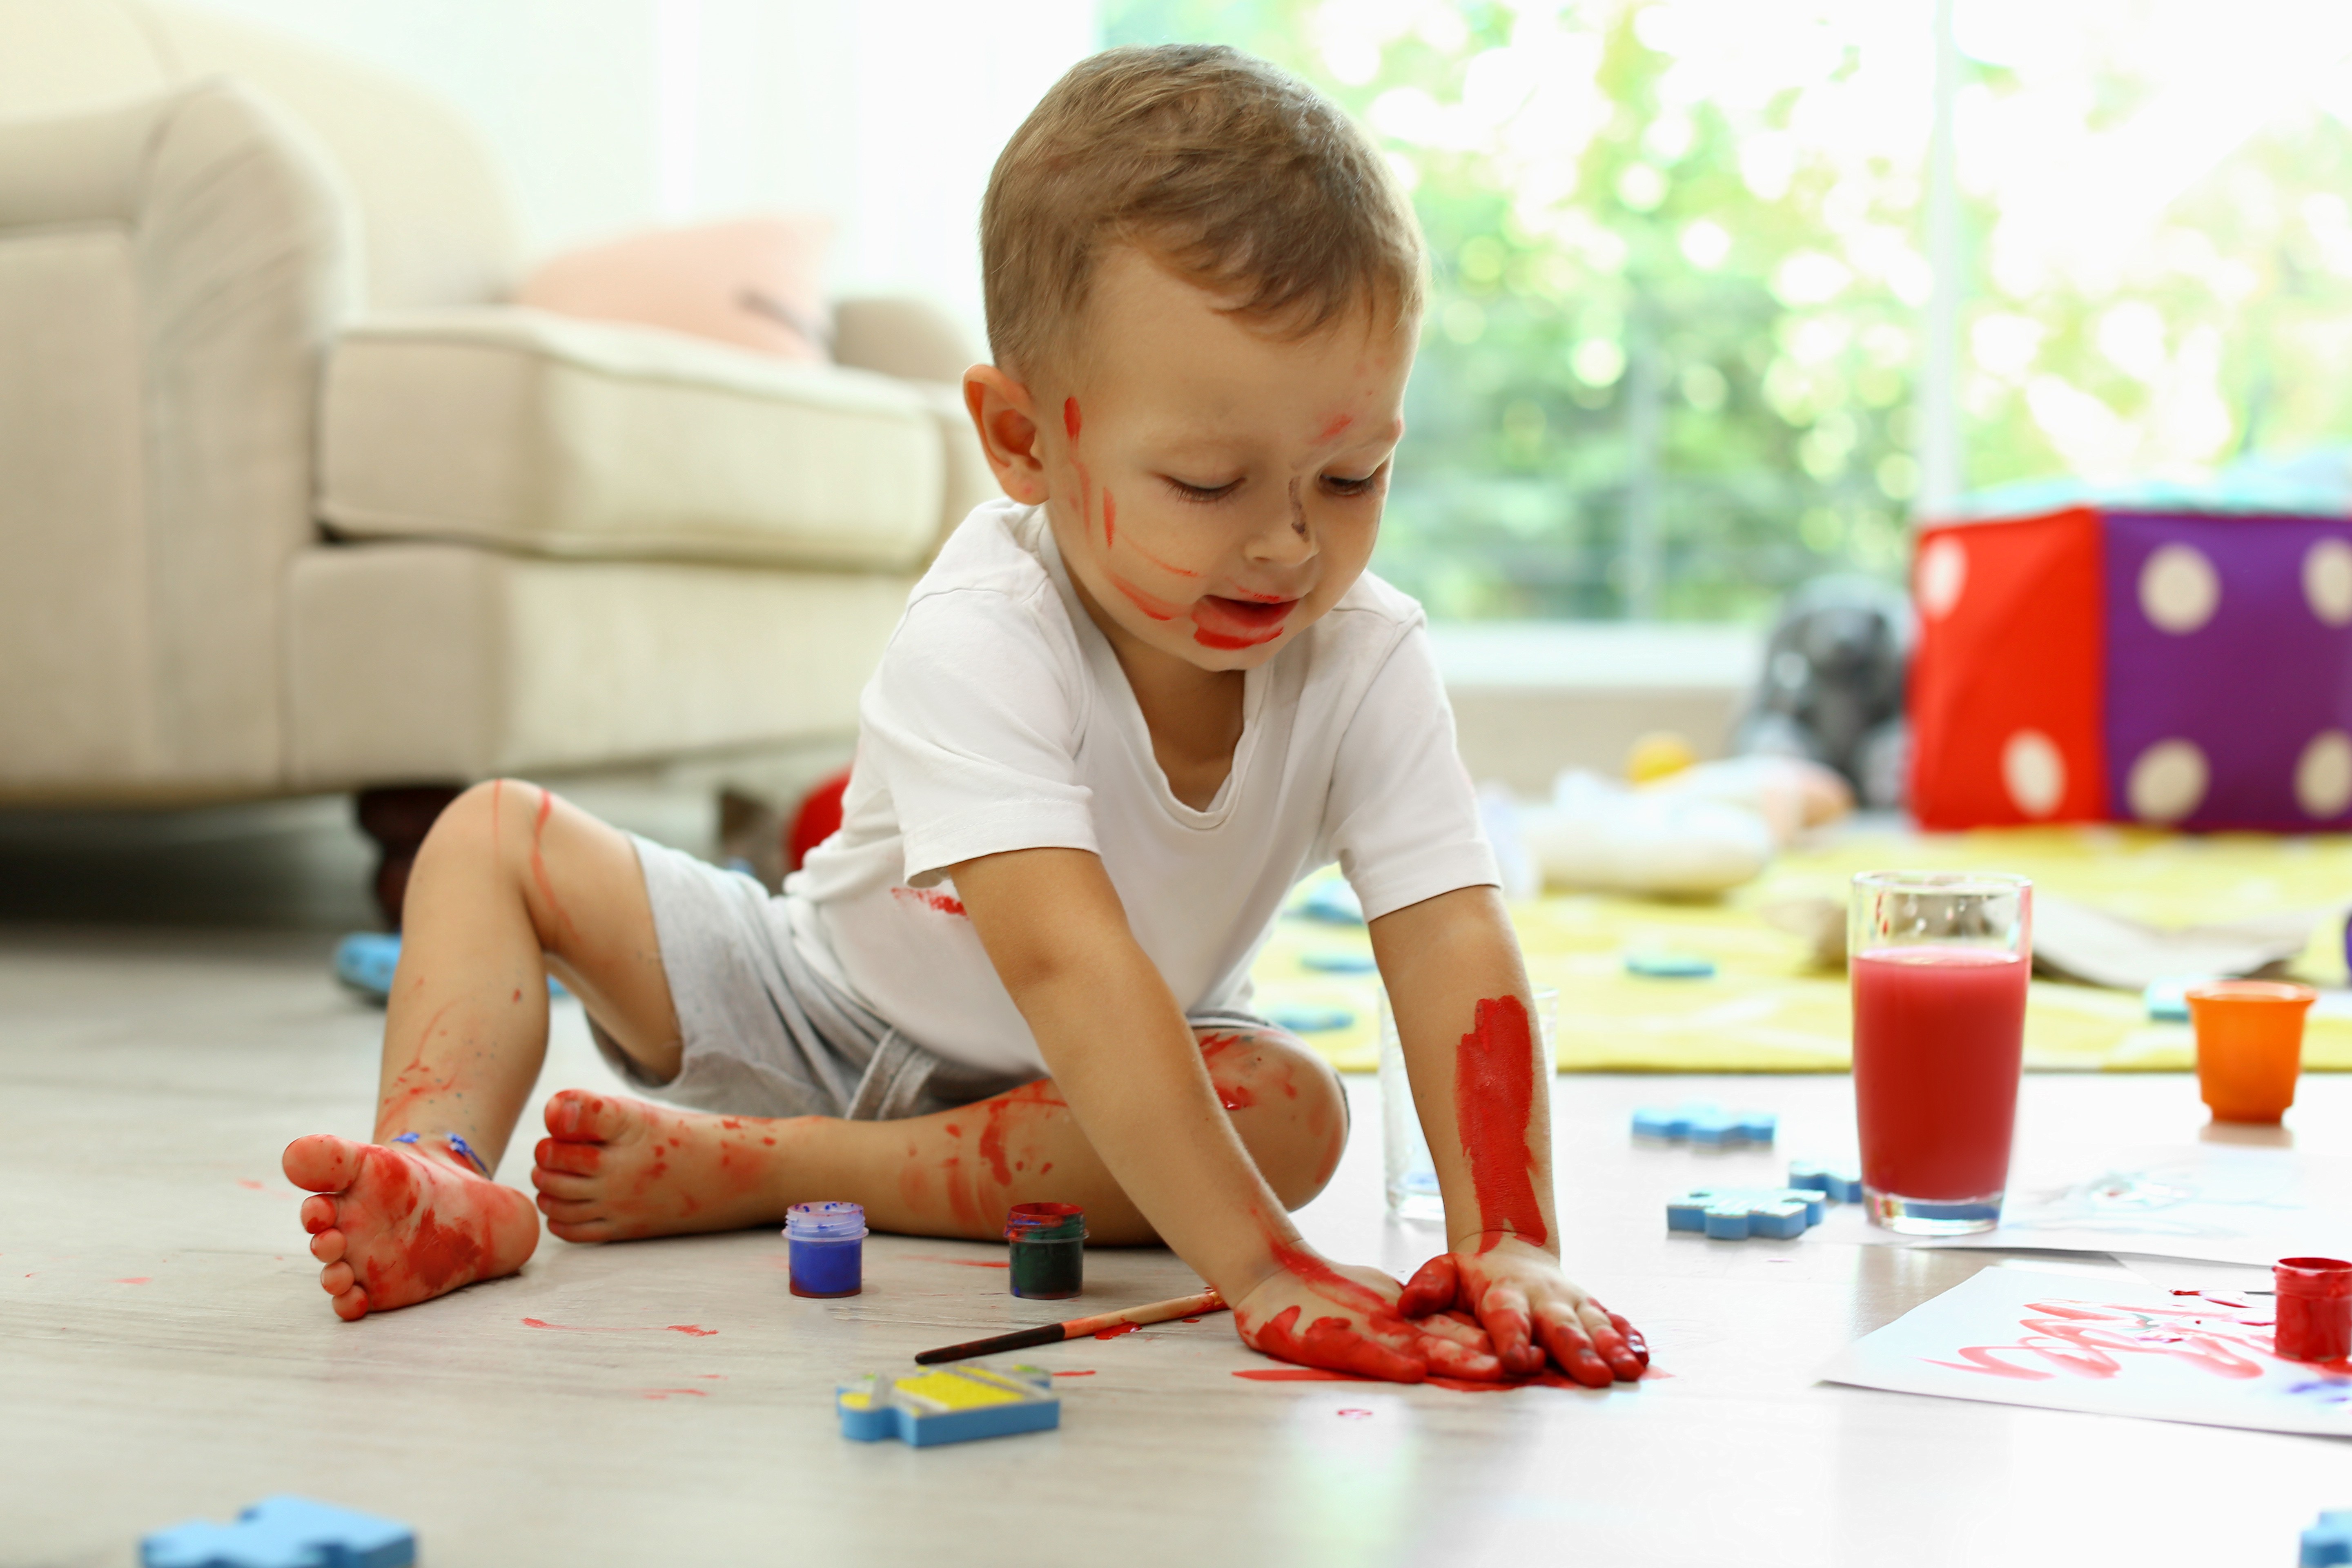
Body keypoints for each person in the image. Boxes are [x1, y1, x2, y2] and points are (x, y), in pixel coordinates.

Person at [284, 43, 1648, 1387]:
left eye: (1352, 477)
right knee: (488, 836)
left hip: (1108, 1096)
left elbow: (1451, 930)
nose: (1290, 547)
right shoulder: (983, 630)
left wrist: (1514, 1241)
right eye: (1207, 480)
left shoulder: (1364, 655)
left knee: (1295, 1109)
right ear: (1022, 442)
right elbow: (1064, 963)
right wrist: (1264, 1269)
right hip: (810, 1013)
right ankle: (441, 1171)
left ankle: (776, 1174)